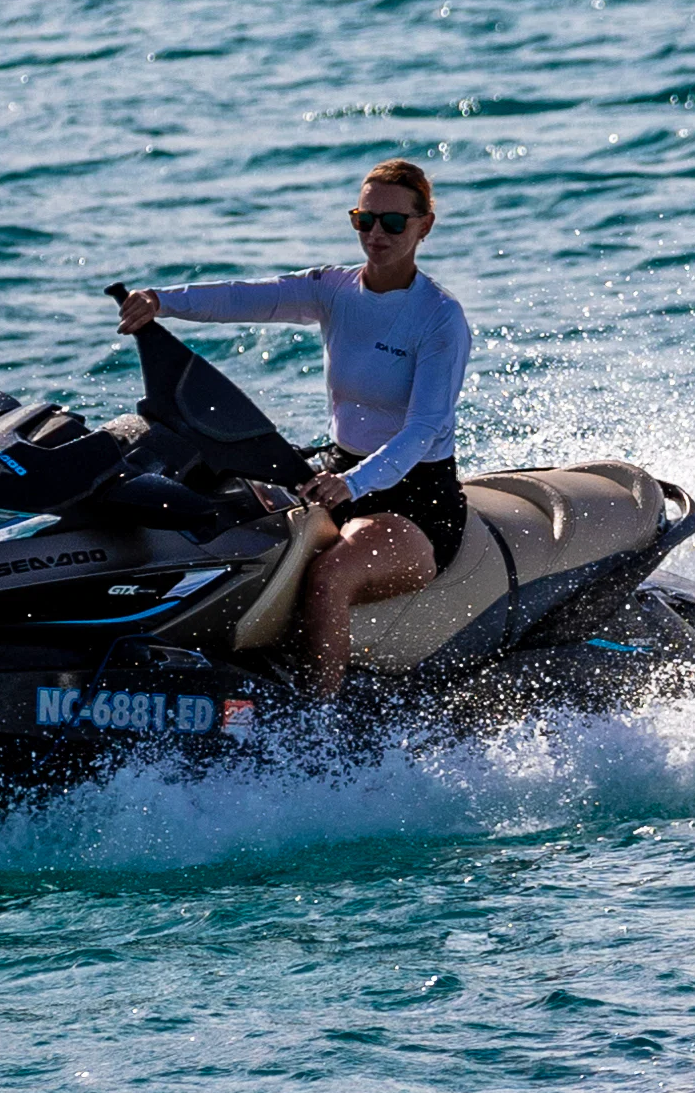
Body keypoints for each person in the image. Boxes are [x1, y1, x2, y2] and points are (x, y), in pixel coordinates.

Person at [111, 158, 472, 699]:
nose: (376, 234)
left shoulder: (439, 318)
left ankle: (319, 729)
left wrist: (352, 484)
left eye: (393, 222)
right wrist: (161, 301)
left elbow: (423, 429)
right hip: (339, 475)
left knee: (329, 579)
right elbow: (246, 296)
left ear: (425, 226)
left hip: (414, 499)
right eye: (364, 219)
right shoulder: (334, 289)